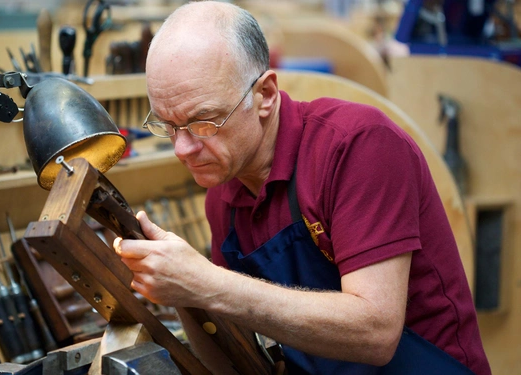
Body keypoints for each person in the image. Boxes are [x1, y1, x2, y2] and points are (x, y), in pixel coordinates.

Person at [112, 1, 490, 374]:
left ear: (265, 96)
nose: (183, 148)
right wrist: (183, 292)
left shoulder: (358, 146)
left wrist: (207, 282)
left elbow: (376, 332)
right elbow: (232, 355)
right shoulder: (224, 195)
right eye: (168, 125)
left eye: (204, 121)